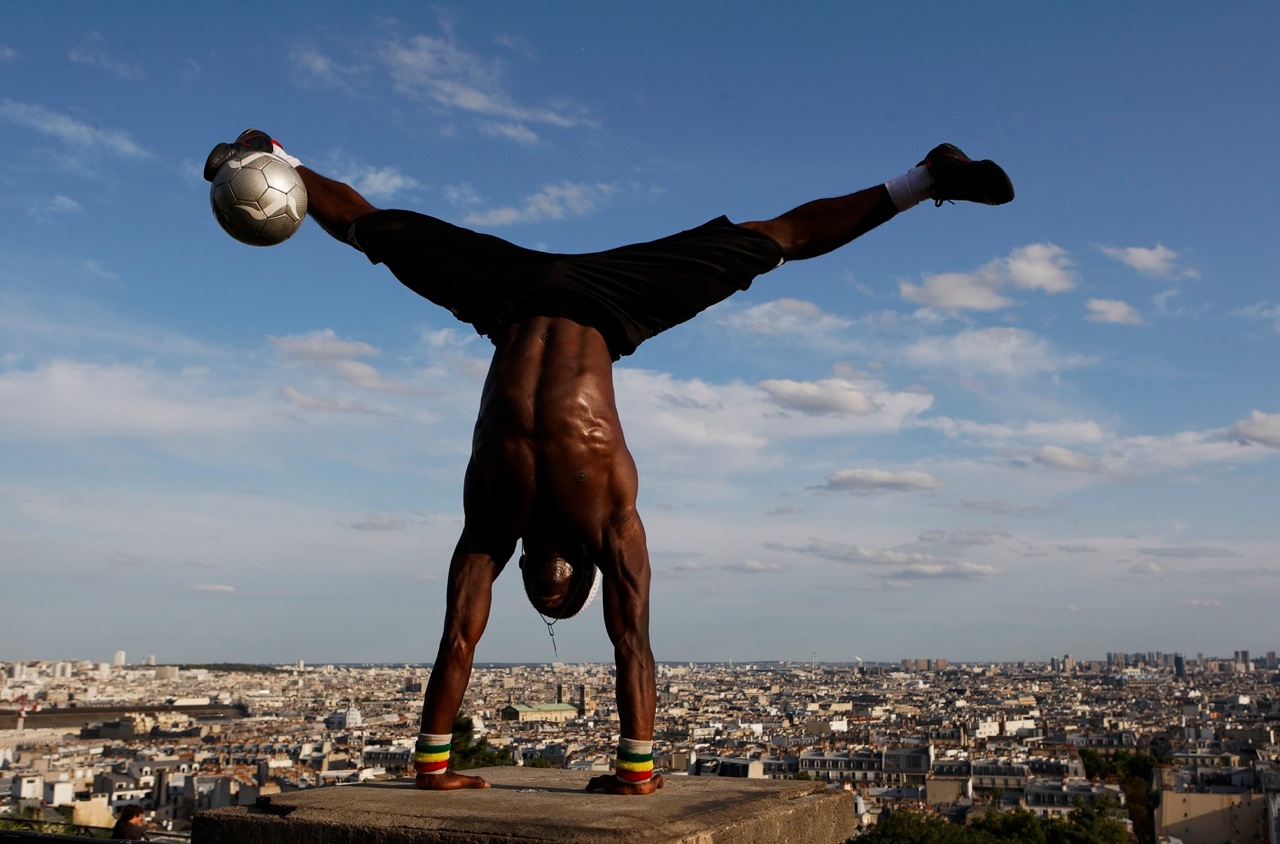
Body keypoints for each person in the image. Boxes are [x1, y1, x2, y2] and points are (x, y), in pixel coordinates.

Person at [205, 131, 1013, 795]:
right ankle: (924, 177)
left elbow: (458, 636)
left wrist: (433, 766)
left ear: (524, 566)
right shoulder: (613, 516)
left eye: (539, 592)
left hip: (508, 297)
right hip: (613, 302)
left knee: (372, 232)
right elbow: (633, 644)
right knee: (777, 242)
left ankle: (279, 160)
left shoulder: (494, 516)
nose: (552, 587)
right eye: (566, 594)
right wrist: (636, 769)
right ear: (587, 576)